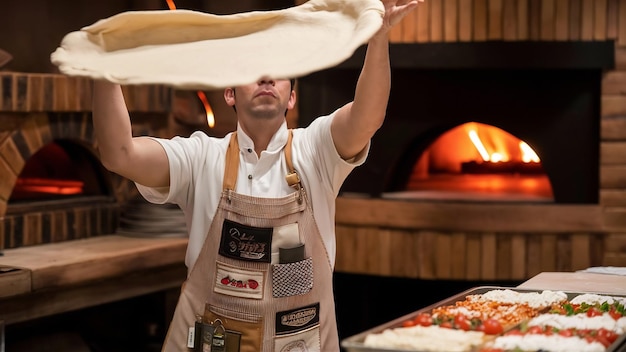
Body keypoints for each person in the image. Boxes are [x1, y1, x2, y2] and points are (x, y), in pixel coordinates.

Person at [92, 1, 420, 351]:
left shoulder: (318, 150)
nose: (266, 77)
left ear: (291, 97)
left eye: (278, 71)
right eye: (252, 70)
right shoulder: (200, 157)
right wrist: (102, 69)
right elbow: (119, 153)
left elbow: (368, 117)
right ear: (230, 93)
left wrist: (379, 36)